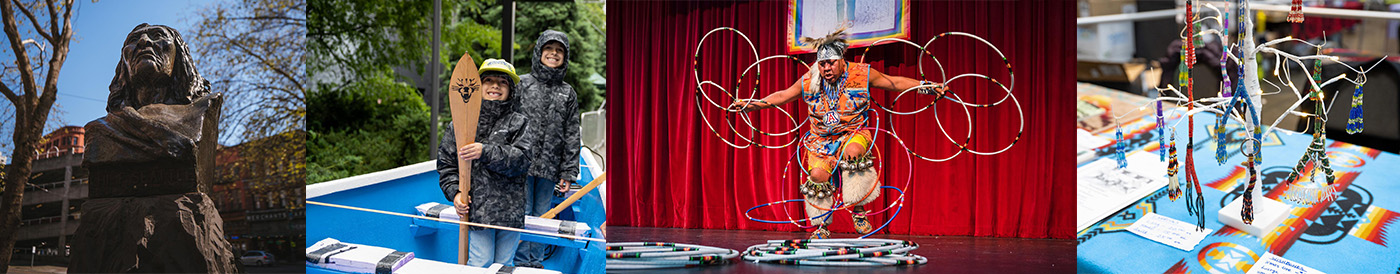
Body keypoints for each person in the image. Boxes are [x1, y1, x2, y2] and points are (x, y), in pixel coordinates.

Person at [729, 27, 947, 239]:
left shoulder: (862, 75)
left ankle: (858, 208)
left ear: (842, 60)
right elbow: (782, 95)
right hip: (820, 140)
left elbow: (895, 82)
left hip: (853, 132)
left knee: (853, 151)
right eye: (822, 64)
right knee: (816, 177)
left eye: (831, 63)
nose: (826, 69)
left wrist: (926, 86)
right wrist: (752, 105)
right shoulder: (809, 80)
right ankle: (822, 224)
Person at [438, 58, 534, 267]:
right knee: (480, 263)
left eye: (503, 82)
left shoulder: (519, 122)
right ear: (478, 86)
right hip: (478, 212)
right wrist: (455, 193)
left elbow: (523, 160)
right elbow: (447, 165)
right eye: (488, 80)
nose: (495, 86)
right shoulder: (460, 123)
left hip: (510, 212)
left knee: (504, 264)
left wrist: (485, 151)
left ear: (511, 90)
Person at [514, 30, 582, 268]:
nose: (554, 54)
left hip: (550, 167)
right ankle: (521, 261)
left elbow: (572, 134)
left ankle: (536, 261)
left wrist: (568, 173)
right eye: (549, 49)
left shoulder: (568, 93)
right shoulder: (521, 84)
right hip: (520, 164)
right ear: (539, 52)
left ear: (565, 56)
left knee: (543, 214)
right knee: (522, 211)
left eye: (559, 50)